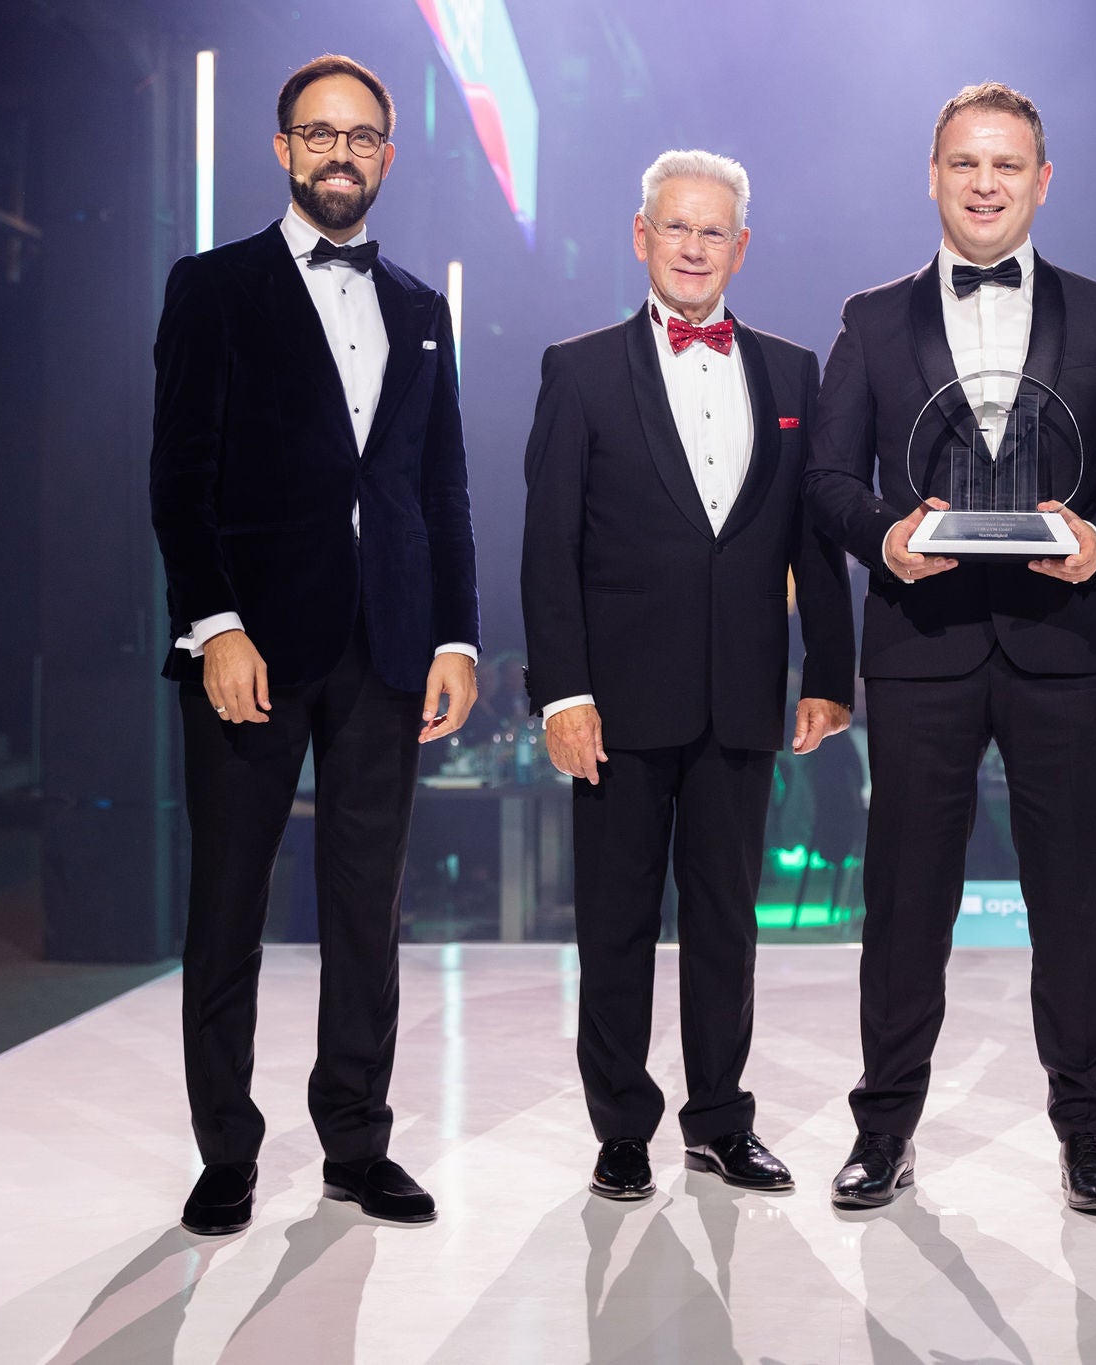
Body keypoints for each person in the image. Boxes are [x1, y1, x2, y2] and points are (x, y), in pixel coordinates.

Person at [803, 82, 1096, 1215]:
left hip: (1066, 641)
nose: (983, 183)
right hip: (921, 639)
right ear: (933, 175)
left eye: (1006, 164)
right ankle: (883, 1129)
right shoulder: (872, 318)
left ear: (1042, 181)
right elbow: (828, 479)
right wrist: (885, 537)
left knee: (1074, 898)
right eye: (964, 162)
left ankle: (1087, 1135)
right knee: (904, 897)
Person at [149, 54, 479, 1235]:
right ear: (283, 148)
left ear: (386, 154)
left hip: (384, 646)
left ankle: (356, 1142)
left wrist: (455, 637)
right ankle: (225, 1153)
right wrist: (215, 625)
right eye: (319, 133)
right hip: (249, 645)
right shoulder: (212, 287)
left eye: (361, 136)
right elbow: (178, 477)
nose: (341, 153)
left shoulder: (420, 310)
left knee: (366, 909)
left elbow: (440, 489)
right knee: (227, 905)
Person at [520, 150, 855, 1202]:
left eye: (714, 231)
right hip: (615, 704)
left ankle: (718, 1120)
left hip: (741, 696)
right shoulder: (578, 369)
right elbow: (548, 546)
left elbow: (812, 537)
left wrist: (828, 671)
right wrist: (562, 692)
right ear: (642, 236)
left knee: (725, 921)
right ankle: (622, 1129)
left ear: (740, 247)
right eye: (677, 227)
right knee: (615, 924)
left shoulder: (793, 371)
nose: (695, 248)